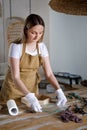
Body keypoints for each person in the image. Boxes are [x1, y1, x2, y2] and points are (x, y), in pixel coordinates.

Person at [0, 14, 67, 112]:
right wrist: (29, 96)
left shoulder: (42, 47)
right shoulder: (16, 47)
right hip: (13, 91)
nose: (37, 36)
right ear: (26, 30)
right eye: (33, 32)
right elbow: (16, 77)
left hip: (32, 90)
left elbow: (49, 74)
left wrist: (59, 91)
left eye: (40, 33)